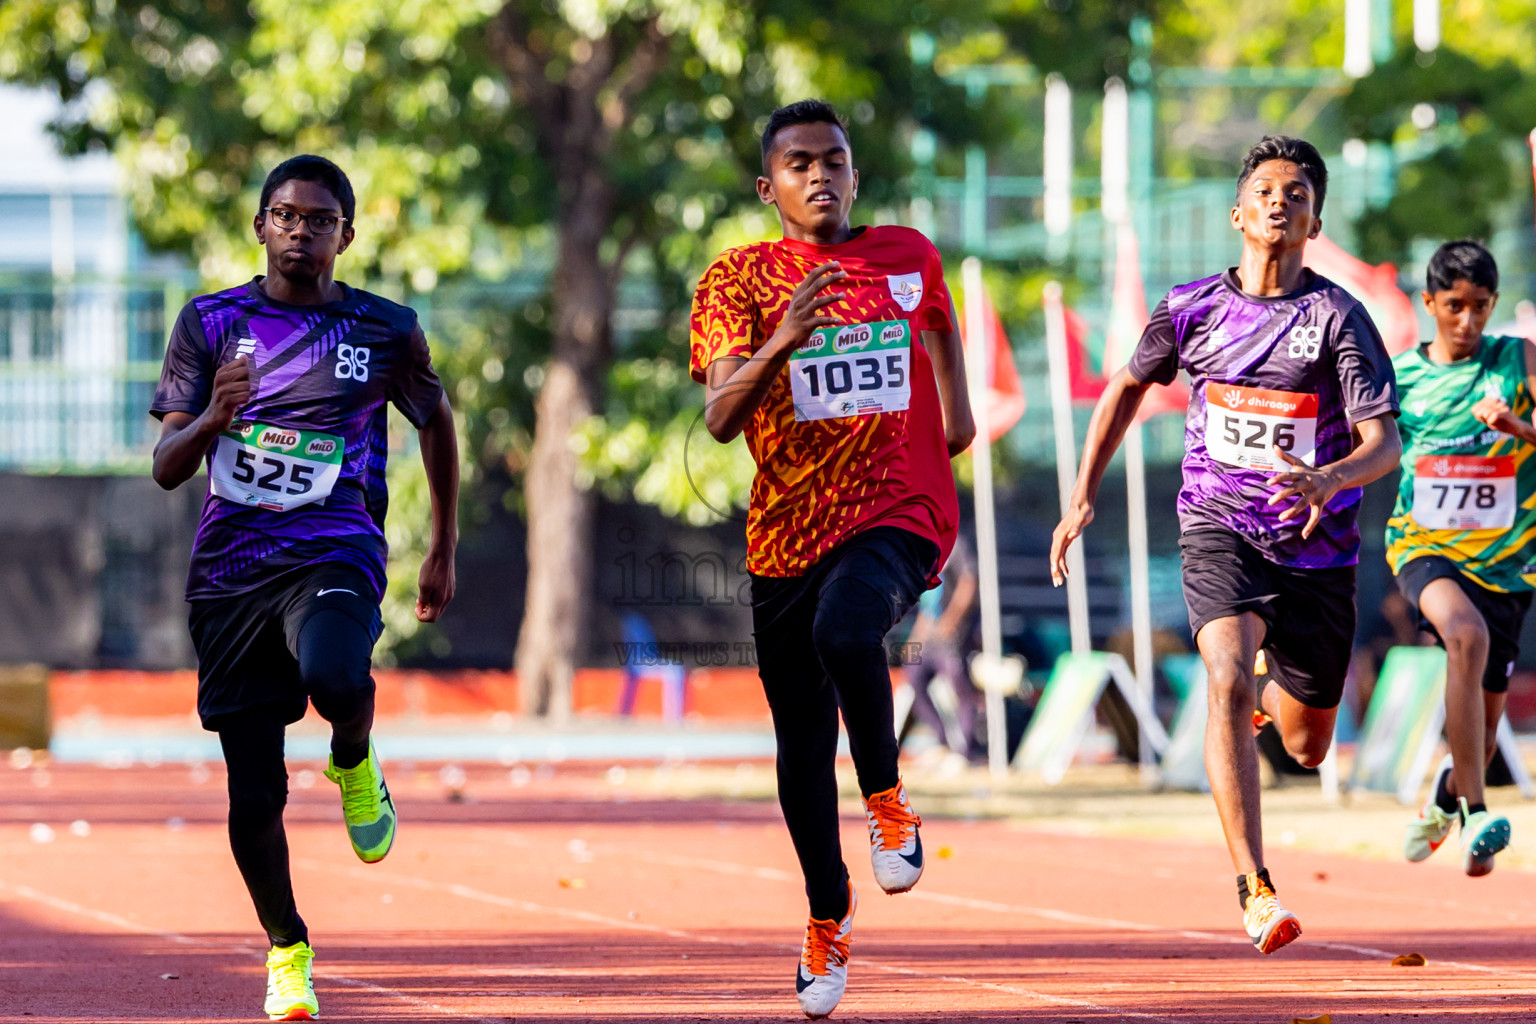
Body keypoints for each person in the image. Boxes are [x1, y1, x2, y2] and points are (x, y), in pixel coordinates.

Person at [1050, 136, 1400, 954]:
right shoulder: (1191, 308)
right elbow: (1125, 389)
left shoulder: (1337, 318)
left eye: (1300, 195)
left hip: (1316, 549)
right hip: (1219, 528)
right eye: (1268, 191)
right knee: (1222, 676)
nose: (1283, 202)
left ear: (1315, 224)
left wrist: (1331, 478)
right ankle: (1256, 887)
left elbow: (1386, 443)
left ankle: (1273, 681)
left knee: (1308, 744)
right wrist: (1080, 496)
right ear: (1239, 214)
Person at [149, 155, 458, 1021]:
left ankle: (354, 757)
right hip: (230, 576)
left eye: (318, 219)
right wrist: (214, 416)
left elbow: (436, 423)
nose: (299, 230)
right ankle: (288, 948)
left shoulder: (385, 330)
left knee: (335, 676)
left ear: (345, 237)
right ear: (259, 227)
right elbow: (169, 468)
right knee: (255, 795)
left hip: (335, 549)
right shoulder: (208, 323)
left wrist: (442, 546)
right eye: (283, 215)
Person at [690, 100, 974, 1018]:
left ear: (857, 175)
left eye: (837, 161)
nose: (822, 176)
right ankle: (827, 914)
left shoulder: (908, 255)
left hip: (900, 509)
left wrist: (953, 415)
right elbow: (722, 420)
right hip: (785, 533)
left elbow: (941, 340)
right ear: (767, 185)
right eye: (801, 163)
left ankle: (890, 802)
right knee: (802, 747)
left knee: (849, 628)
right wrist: (785, 340)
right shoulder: (739, 278)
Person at [1386, 239, 1531, 876]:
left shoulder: (1518, 362)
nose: (1467, 321)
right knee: (1463, 635)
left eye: (1479, 306)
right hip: (1425, 547)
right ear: (1429, 304)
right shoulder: (1401, 377)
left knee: (1484, 720)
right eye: (1453, 307)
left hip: (1507, 562)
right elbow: (1366, 446)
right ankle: (1474, 809)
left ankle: (1448, 793)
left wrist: (1519, 430)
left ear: (1493, 304)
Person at [903, 533, 983, 764]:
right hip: (928, 636)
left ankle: (965, 752)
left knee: (960, 689)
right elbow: (927, 602)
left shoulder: (957, 543)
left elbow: (969, 581)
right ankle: (942, 742)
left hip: (952, 635)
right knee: (914, 679)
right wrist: (915, 638)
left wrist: (952, 619)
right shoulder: (924, 546)